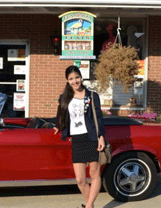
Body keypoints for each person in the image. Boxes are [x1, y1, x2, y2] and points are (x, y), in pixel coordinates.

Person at [53, 65, 106, 208]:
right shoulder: (64, 97)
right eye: (71, 79)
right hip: (77, 140)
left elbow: (99, 118)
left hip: (92, 138)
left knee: (94, 175)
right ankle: (91, 205)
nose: (75, 81)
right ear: (67, 80)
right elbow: (61, 115)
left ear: (81, 77)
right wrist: (58, 126)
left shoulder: (92, 96)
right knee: (80, 180)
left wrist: (101, 136)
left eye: (77, 77)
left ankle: (89, 206)